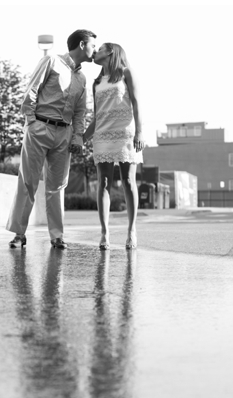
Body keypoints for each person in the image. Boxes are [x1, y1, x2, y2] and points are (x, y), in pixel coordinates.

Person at [7, 29, 97, 249]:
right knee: (28, 181)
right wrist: (31, 122)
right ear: (83, 44)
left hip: (64, 135)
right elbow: (32, 90)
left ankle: (57, 236)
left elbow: (79, 112)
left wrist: (77, 138)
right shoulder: (51, 61)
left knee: (57, 186)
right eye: (93, 45)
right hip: (39, 128)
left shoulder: (82, 78)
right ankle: (19, 233)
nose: (95, 50)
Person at [83, 43, 144, 249]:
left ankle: (131, 231)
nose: (95, 52)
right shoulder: (97, 82)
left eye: (99, 48)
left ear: (110, 52)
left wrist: (140, 132)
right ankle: (105, 233)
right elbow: (96, 116)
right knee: (104, 183)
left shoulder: (126, 73)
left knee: (128, 180)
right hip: (102, 136)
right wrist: (81, 138)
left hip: (125, 134)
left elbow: (136, 103)